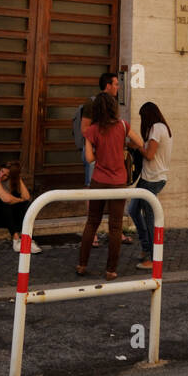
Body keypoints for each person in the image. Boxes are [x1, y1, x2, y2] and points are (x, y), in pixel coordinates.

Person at [76, 85, 143, 279]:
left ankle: (82, 265)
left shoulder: (93, 130)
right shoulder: (123, 126)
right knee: (115, 226)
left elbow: (89, 158)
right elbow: (138, 142)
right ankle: (111, 270)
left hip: (98, 180)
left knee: (92, 223)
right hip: (118, 182)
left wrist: (101, 152)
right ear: (114, 107)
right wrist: (121, 146)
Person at [129, 103, 173, 270]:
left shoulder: (156, 128)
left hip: (152, 179)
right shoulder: (164, 128)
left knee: (150, 218)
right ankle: (146, 247)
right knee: (133, 210)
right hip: (150, 178)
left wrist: (139, 145)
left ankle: (154, 258)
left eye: (142, 117)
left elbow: (149, 155)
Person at [0, 160, 42, 253]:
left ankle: (26, 240)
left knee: (24, 203)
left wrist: (18, 178)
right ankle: (16, 240)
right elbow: (6, 199)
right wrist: (19, 200)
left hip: (1, 217)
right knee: (4, 202)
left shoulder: (11, 180)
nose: (2, 176)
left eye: (6, 175)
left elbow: (26, 197)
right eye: (1, 172)